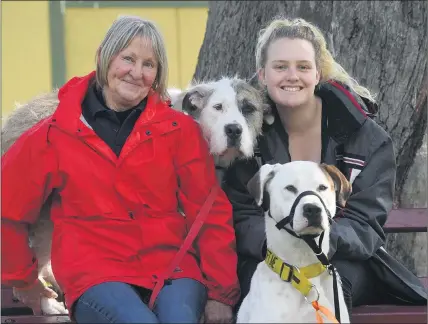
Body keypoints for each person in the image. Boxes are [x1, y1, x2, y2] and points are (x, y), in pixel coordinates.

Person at [1, 15, 239, 323]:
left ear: (158, 73)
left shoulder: (179, 131)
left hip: (172, 267)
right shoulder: (54, 134)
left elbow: (209, 213)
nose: (137, 73)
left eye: (149, 64)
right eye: (127, 58)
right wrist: (24, 280)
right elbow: (7, 208)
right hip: (95, 274)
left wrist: (221, 293)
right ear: (104, 57)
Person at [222, 16, 427, 316]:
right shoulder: (248, 139)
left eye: (303, 67)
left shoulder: (367, 139)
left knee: (330, 285)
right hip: (269, 255)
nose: (292, 75)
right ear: (262, 74)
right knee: (262, 287)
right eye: (281, 66)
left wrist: (320, 240)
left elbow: (366, 221)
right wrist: (282, 242)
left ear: (318, 73)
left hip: (341, 257)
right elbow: (241, 212)